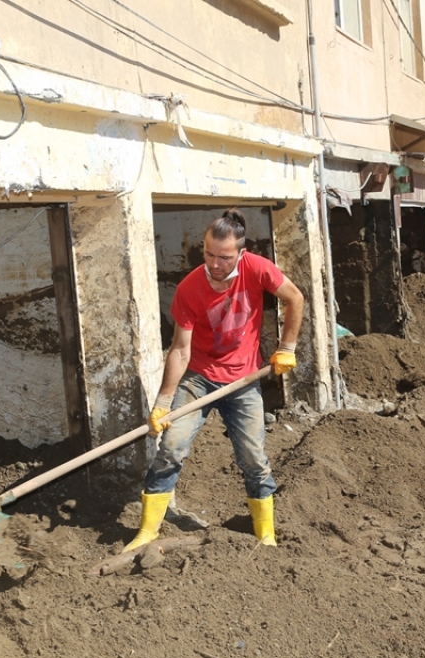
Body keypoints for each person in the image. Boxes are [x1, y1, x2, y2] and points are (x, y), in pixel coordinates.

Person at [126, 209, 304, 552]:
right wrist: (163, 402)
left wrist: (288, 348)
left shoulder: (257, 268)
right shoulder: (190, 288)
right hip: (200, 378)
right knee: (171, 448)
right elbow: (179, 350)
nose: (215, 263)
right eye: (208, 254)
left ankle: (265, 533)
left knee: (253, 456)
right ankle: (148, 531)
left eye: (224, 257)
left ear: (241, 252)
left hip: (244, 379)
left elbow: (294, 298)